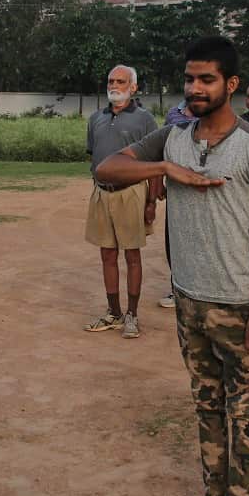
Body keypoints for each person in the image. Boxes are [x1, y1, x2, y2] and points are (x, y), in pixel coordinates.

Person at [95, 35, 249, 496]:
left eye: (207, 79)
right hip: (187, 299)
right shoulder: (172, 138)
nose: (196, 89)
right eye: (190, 79)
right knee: (206, 405)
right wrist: (164, 169)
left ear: (232, 84)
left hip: (237, 302)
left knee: (242, 409)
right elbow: (106, 170)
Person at [83, 65, 159, 339]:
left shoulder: (144, 120)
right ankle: (113, 312)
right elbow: (94, 155)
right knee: (107, 253)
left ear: (134, 87)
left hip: (132, 193)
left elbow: (154, 164)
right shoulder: (96, 119)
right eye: (111, 81)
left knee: (132, 255)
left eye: (121, 81)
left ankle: (132, 315)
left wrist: (151, 201)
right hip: (102, 192)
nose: (114, 85)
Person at [157, 101, 195, 311]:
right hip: (175, 190)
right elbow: (164, 148)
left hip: (200, 190)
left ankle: (198, 290)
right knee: (174, 241)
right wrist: (161, 182)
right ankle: (177, 289)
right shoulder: (173, 114)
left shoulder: (208, 115)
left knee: (199, 240)